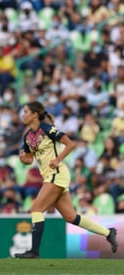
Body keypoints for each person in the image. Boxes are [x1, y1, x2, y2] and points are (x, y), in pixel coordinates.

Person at [14, 101, 117, 259]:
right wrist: (23, 159)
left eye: (26, 112)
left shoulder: (47, 129)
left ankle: (34, 251)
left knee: (36, 209)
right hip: (50, 176)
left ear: (35, 115)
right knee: (70, 216)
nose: (23, 115)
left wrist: (57, 159)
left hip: (57, 173)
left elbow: (70, 144)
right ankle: (108, 232)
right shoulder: (28, 136)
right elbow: (28, 159)